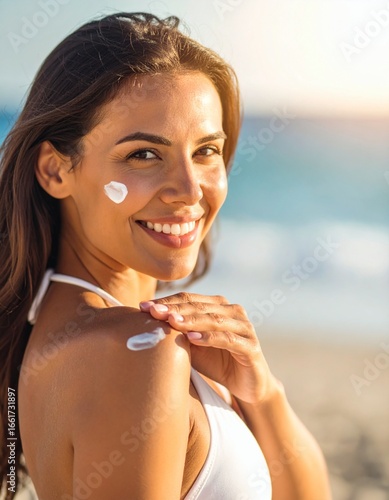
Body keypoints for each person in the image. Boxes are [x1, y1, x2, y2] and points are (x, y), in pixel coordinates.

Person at [0, 12, 332, 500]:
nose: (189, 190)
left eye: (206, 151)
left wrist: (261, 394)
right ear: (55, 171)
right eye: (144, 155)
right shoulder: (139, 352)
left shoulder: (73, 333)